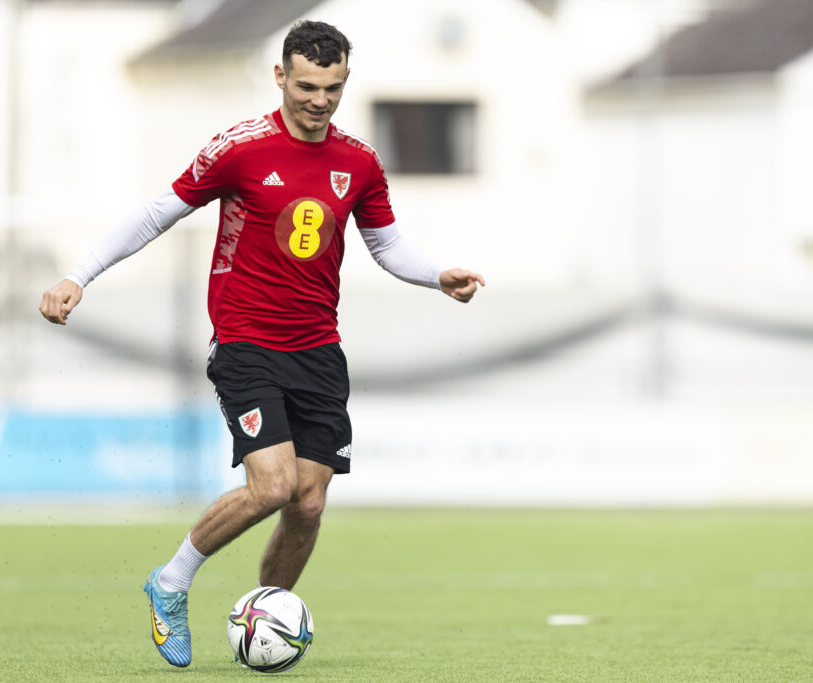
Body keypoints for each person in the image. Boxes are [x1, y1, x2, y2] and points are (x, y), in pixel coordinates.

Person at [39, 19, 484, 668]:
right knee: (274, 485)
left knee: (307, 502)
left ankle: (263, 622)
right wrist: (79, 275)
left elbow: (385, 244)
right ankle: (170, 580)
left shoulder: (358, 161)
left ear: (344, 82)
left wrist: (436, 275)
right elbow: (156, 212)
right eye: (306, 85)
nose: (318, 100)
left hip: (319, 351)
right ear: (280, 76)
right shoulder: (239, 148)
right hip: (246, 342)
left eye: (331, 88)